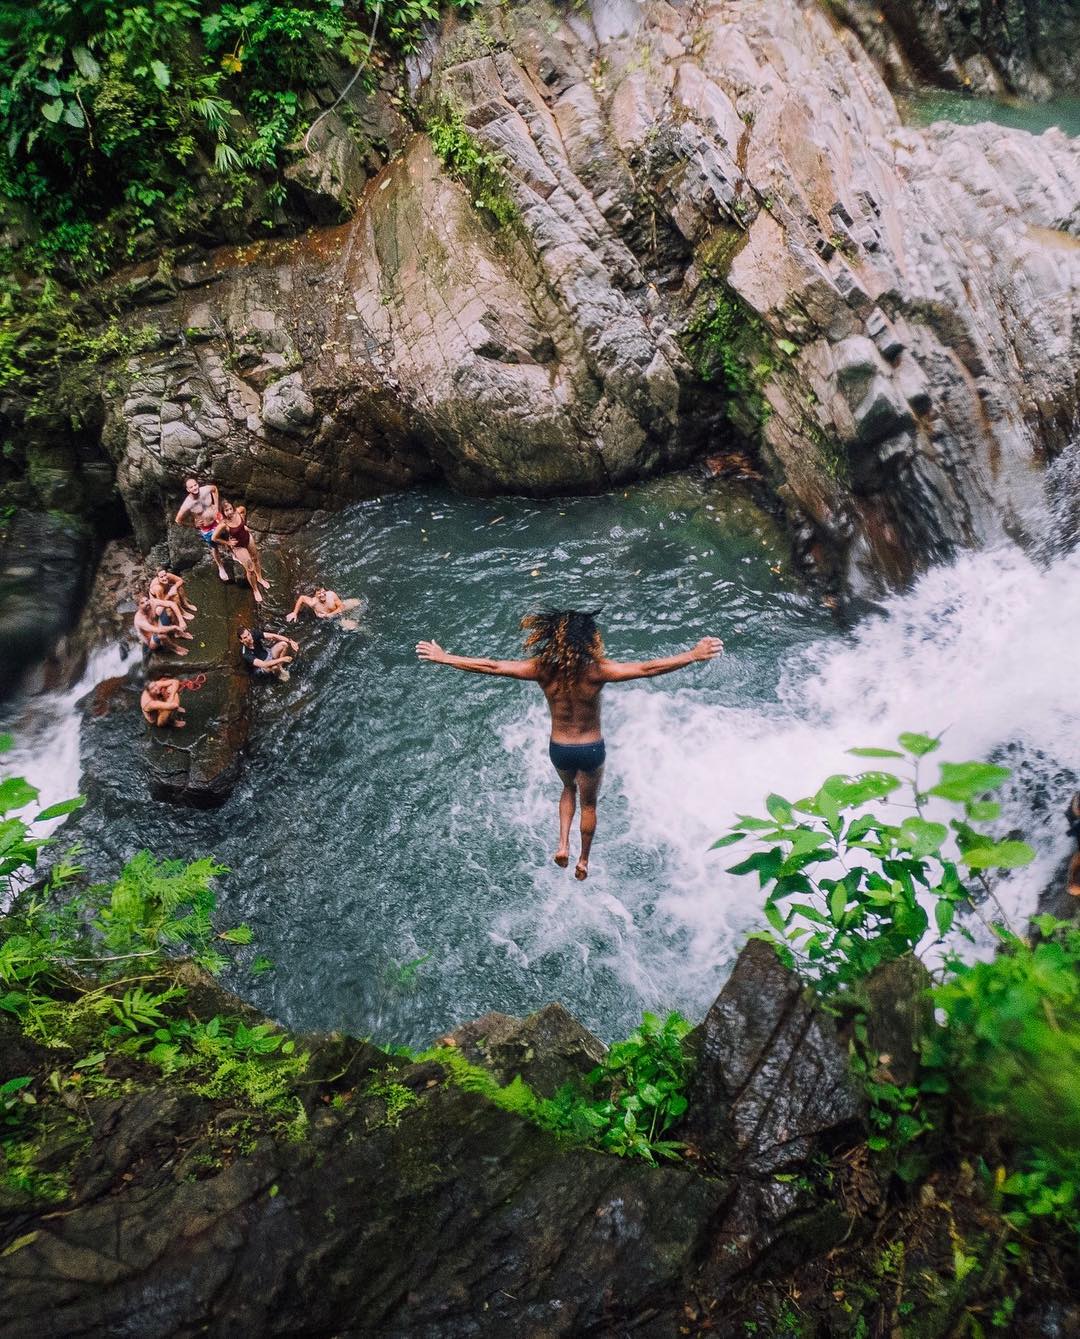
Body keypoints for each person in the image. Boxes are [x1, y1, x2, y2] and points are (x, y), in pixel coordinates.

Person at [416, 609, 723, 880]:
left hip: (560, 748)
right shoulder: (597, 670)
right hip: (591, 749)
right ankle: (584, 860)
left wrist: (445, 658)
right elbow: (647, 668)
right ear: (588, 640)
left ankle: (562, 844)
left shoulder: (541, 668)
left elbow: (493, 667)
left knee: (567, 790)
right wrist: (692, 654)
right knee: (589, 804)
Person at [213, 500, 269, 604]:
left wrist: (244, 525)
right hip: (238, 546)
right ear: (223, 512)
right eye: (226, 510)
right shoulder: (223, 524)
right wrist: (227, 542)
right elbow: (214, 538)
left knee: (255, 559)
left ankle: (260, 578)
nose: (229, 512)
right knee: (250, 569)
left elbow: (244, 510)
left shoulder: (239, 511)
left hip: (247, 538)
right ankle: (255, 590)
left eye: (230, 509)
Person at [174, 477, 229, 582]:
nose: (194, 488)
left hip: (216, 519)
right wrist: (193, 524)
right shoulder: (188, 503)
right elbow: (178, 520)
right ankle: (220, 567)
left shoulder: (206, 489)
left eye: (195, 485)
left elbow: (214, 489)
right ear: (188, 489)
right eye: (191, 487)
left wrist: (216, 506)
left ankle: (233, 552)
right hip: (206, 527)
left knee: (226, 534)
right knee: (214, 546)